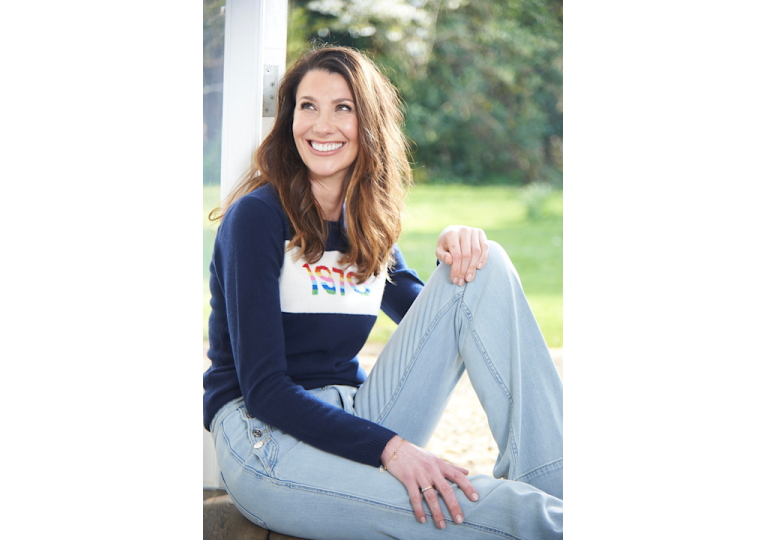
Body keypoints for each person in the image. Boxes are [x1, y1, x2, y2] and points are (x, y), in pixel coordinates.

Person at [203, 46, 563, 540]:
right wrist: (394, 449)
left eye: (342, 108)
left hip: (354, 414)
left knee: (486, 264)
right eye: (307, 106)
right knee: (482, 506)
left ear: (368, 123)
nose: (320, 126)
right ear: (291, 118)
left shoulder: (365, 225)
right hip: (265, 438)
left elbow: (447, 309)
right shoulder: (258, 219)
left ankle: (553, 481)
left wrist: (458, 247)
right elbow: (265, 392)